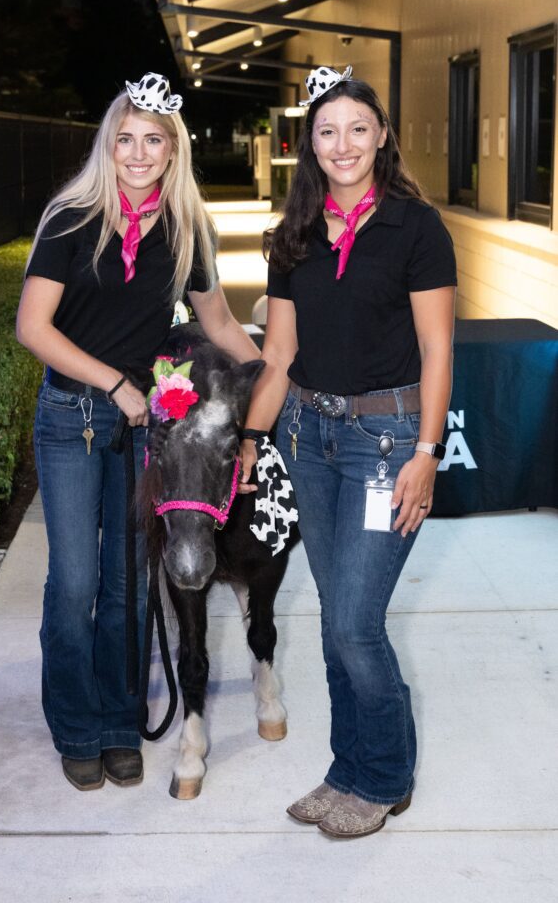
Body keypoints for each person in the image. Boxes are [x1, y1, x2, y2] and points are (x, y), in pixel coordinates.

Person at [16, 73, 259, 792]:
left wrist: (272, 378)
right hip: (74, 419)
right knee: (75, 582)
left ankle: (120, 724)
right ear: (108, 144)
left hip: (145, 427)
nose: (138, 152)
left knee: (127, 582)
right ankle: (76, 724)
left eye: (153, 140)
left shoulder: (189, 228)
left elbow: (215, 322)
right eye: (125, 139)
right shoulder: (69, 216)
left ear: (173, 149)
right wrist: (117, 385)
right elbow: (33, 328)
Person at [239, 66, 456, 839]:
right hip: (307, 438)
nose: (343, 144)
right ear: (310, 143)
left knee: (356, 623)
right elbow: (280, 353)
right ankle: (346, 770)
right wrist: (251, 440)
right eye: (327, 130)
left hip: (385, 441)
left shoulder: (414, 227)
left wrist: (425, 451)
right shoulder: (291, 234)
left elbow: (436, 350)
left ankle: (386, 777)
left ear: (381, 136)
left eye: (357, 128)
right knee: (335, 615)